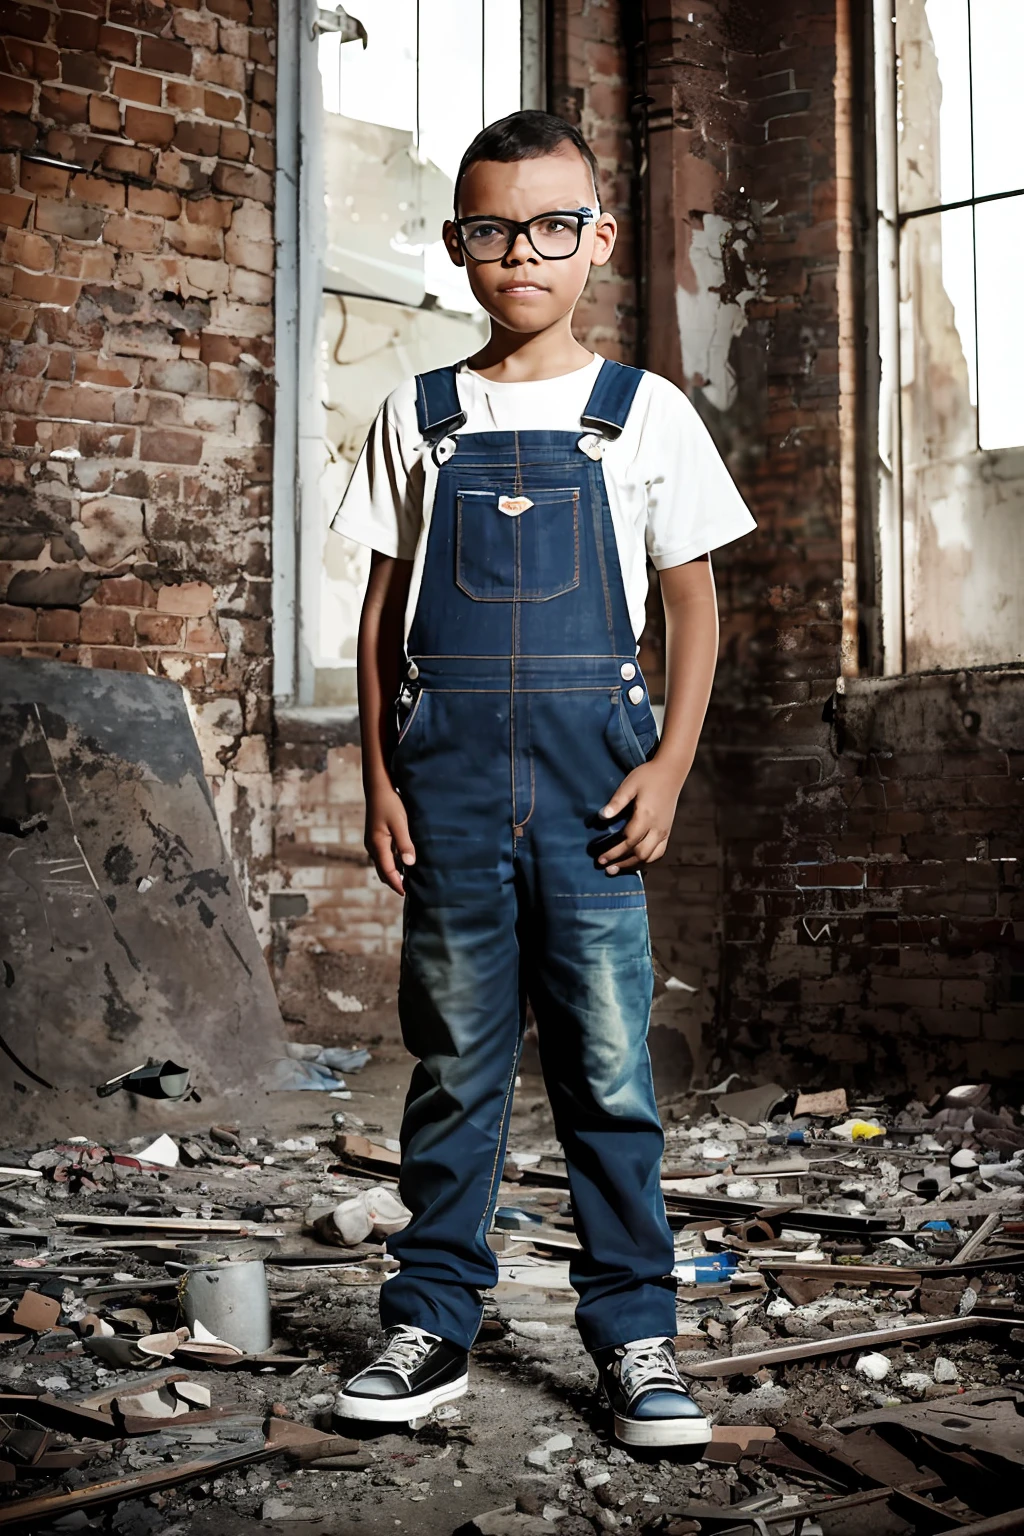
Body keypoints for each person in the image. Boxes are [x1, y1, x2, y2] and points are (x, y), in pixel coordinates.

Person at [328, 109, 755, 1448]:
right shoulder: (420, 415)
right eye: (492, 229)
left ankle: (634, 1337)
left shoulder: (647, 415)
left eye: (553, 227)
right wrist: (379, 779)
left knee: (610, 1070)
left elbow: (691, 609)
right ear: (460, 245)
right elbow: (381, 612)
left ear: (598, 241)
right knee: (454, 1063)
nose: (524, 253)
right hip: (446, 787)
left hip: (593, 794)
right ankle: (433, 1324)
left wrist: (672, 769)